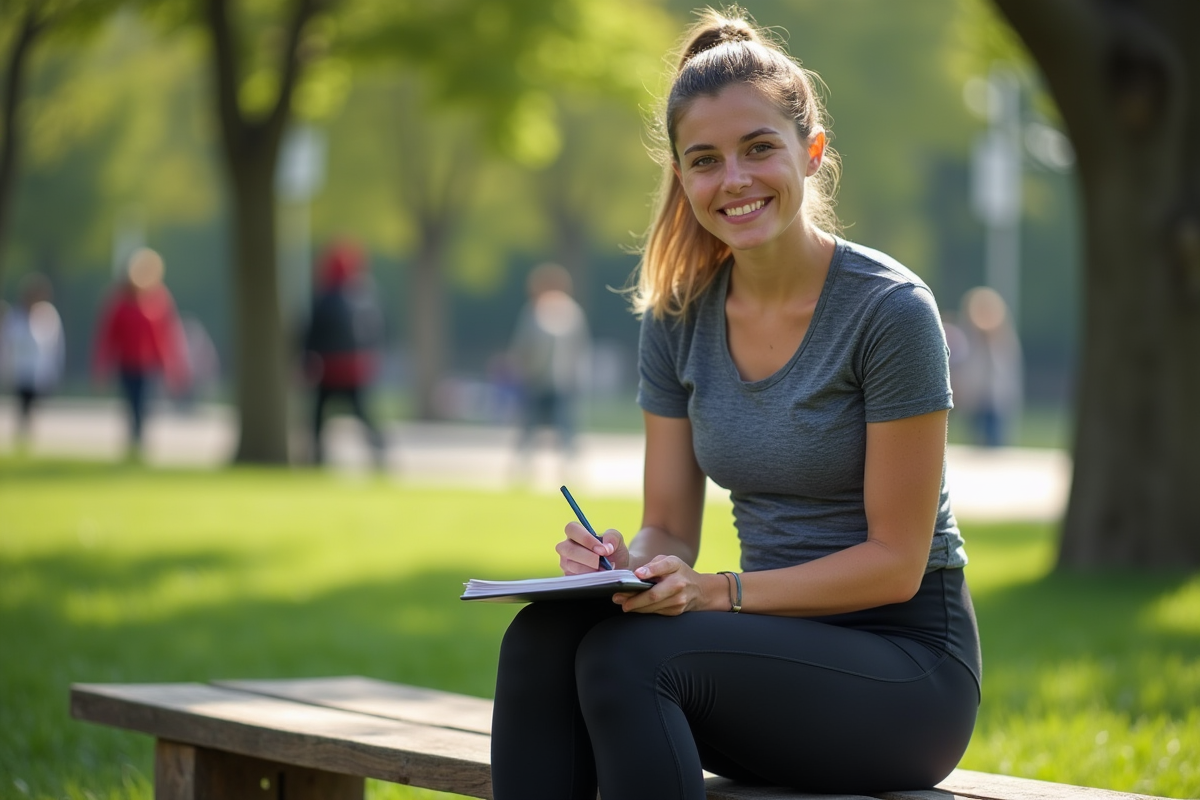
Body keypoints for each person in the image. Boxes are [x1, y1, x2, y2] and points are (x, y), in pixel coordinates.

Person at [490, 10, 981, 799]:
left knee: (628, 660)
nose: (735, 180)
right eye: (706, 160)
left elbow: (896, 565)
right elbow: (672, 528)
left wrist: (721, 591)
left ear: (811, 153)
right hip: (764, 654)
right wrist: (627, 564)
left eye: (759, 149)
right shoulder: (679, 316)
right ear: (682, 179)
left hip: (905, 673)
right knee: (545, 637)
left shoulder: (889, 310)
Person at [93, 248, 190, 456]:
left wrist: (171, 366)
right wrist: (102, 366)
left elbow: (165, 336)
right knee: (131, 403)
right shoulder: (119, 302)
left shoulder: (158, 299)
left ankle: (140, 443)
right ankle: (133, 442)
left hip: (149, 364)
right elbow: (108, 337)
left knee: (144, 404)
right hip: (126, 363)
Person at [302, 240, 386, 468]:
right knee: (363, 416)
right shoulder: (364, 297)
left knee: (318, 418)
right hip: (354, 370)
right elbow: (374, 334)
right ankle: (380, 454)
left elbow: (311, 335)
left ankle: (316, 458)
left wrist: (304, 362)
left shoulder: (324, 299)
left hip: (330, 369)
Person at [507, 262, 591, 476]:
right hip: (536, 379)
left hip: (562, 381)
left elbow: (579, 349)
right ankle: (522, 467)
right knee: (529, 426)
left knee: (565, 427)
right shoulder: (533, 312)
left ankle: (570, 468)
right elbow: (523, 345)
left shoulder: (570, 312)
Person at [950, 286, 1023, 447]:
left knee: (994, 446)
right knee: (977, 447)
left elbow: (1004, 373)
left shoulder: (1002, 341)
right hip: (975, 400)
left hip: (995, 402)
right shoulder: (969, 339)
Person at [0, 272, 65, 448]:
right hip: (20, 369)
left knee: (32, 404)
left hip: (39, 370)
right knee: (23, 403)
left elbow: (55, 345)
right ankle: (23, 437)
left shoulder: (48, 315)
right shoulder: (14, 316)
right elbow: (6, 343)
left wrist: (55, 369)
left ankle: (25, 436)